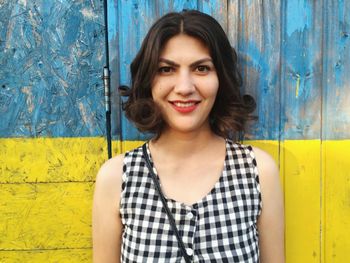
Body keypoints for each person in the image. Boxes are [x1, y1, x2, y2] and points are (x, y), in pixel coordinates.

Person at [92, 10, 284, 263]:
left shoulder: (258, 171)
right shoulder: (116, 178)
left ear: (220, 78)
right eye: (166, 69)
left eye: (201, 68)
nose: (184, 87)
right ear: (149, 79)